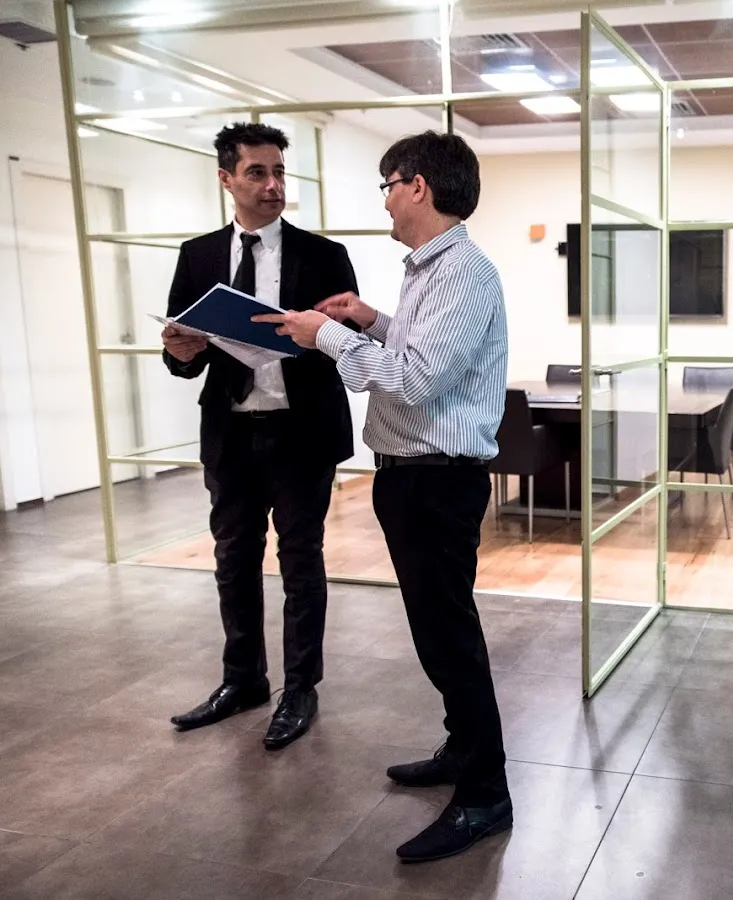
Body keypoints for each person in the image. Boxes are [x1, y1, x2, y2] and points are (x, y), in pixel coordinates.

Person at [254, 130, 511, 863]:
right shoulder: (431, 269)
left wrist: (326, 337)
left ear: (417, 186)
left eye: (389, 186)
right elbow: (421, 355)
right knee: (437, 634)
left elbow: (415, 381)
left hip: (437, 479)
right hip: (414, 476)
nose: (387, 200)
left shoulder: (462, 271)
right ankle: (463, 749)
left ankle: (486, 796)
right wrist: (370, 321)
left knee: (450, 639)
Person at [162, 122, 358, 751]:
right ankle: (242, 679)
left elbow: (348, 345)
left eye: (278, 172)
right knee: (233, 559)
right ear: (227, 179)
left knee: (300, 560)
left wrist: (315, 336)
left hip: (302, 432)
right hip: (230, 432)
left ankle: (300, 688)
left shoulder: (323, 255)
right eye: (257, 173)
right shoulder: (197, 256)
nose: (273, 186)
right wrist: (180, 350)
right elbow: (182, 352)